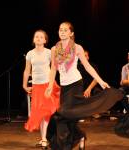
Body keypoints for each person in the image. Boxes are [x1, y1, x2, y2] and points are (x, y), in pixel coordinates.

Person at [45, 21, 123, 150]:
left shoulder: (77, 48)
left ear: (71, 33)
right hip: (64, 87)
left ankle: (65, 145)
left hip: (75, 85)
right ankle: (79, 136)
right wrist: (49, 86)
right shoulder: (55, 48)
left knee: (62, 113)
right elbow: (53, 69)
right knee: (67, 117)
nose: (62, 32)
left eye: (65, 30)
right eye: (60, 29)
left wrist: (101, 81)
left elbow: (87, 67)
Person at [23, 30, 60, 148]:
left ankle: (44, 138)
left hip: (48, 85)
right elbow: (27, 70)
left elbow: (54, 68)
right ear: (34, 40)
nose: (38, 38)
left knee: (46, 112)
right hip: (36, 86)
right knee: (39, 113)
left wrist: (51, 84)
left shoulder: (49, 52)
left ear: (45, 40)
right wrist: (24, 85)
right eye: (36, 37)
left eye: (41, 37)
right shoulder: (30, 54)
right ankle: (43, 138)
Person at [77, 49, 102, 120]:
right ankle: (80, 112)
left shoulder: (93, 66)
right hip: (80, 88)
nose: (85, 57)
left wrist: (89, 89)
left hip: (91, 88)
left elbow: (96, 79)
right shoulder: (76, 67)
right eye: (83, 56)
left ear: (88, 57)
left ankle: (94, 111)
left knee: (97, 92)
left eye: (86, 56)